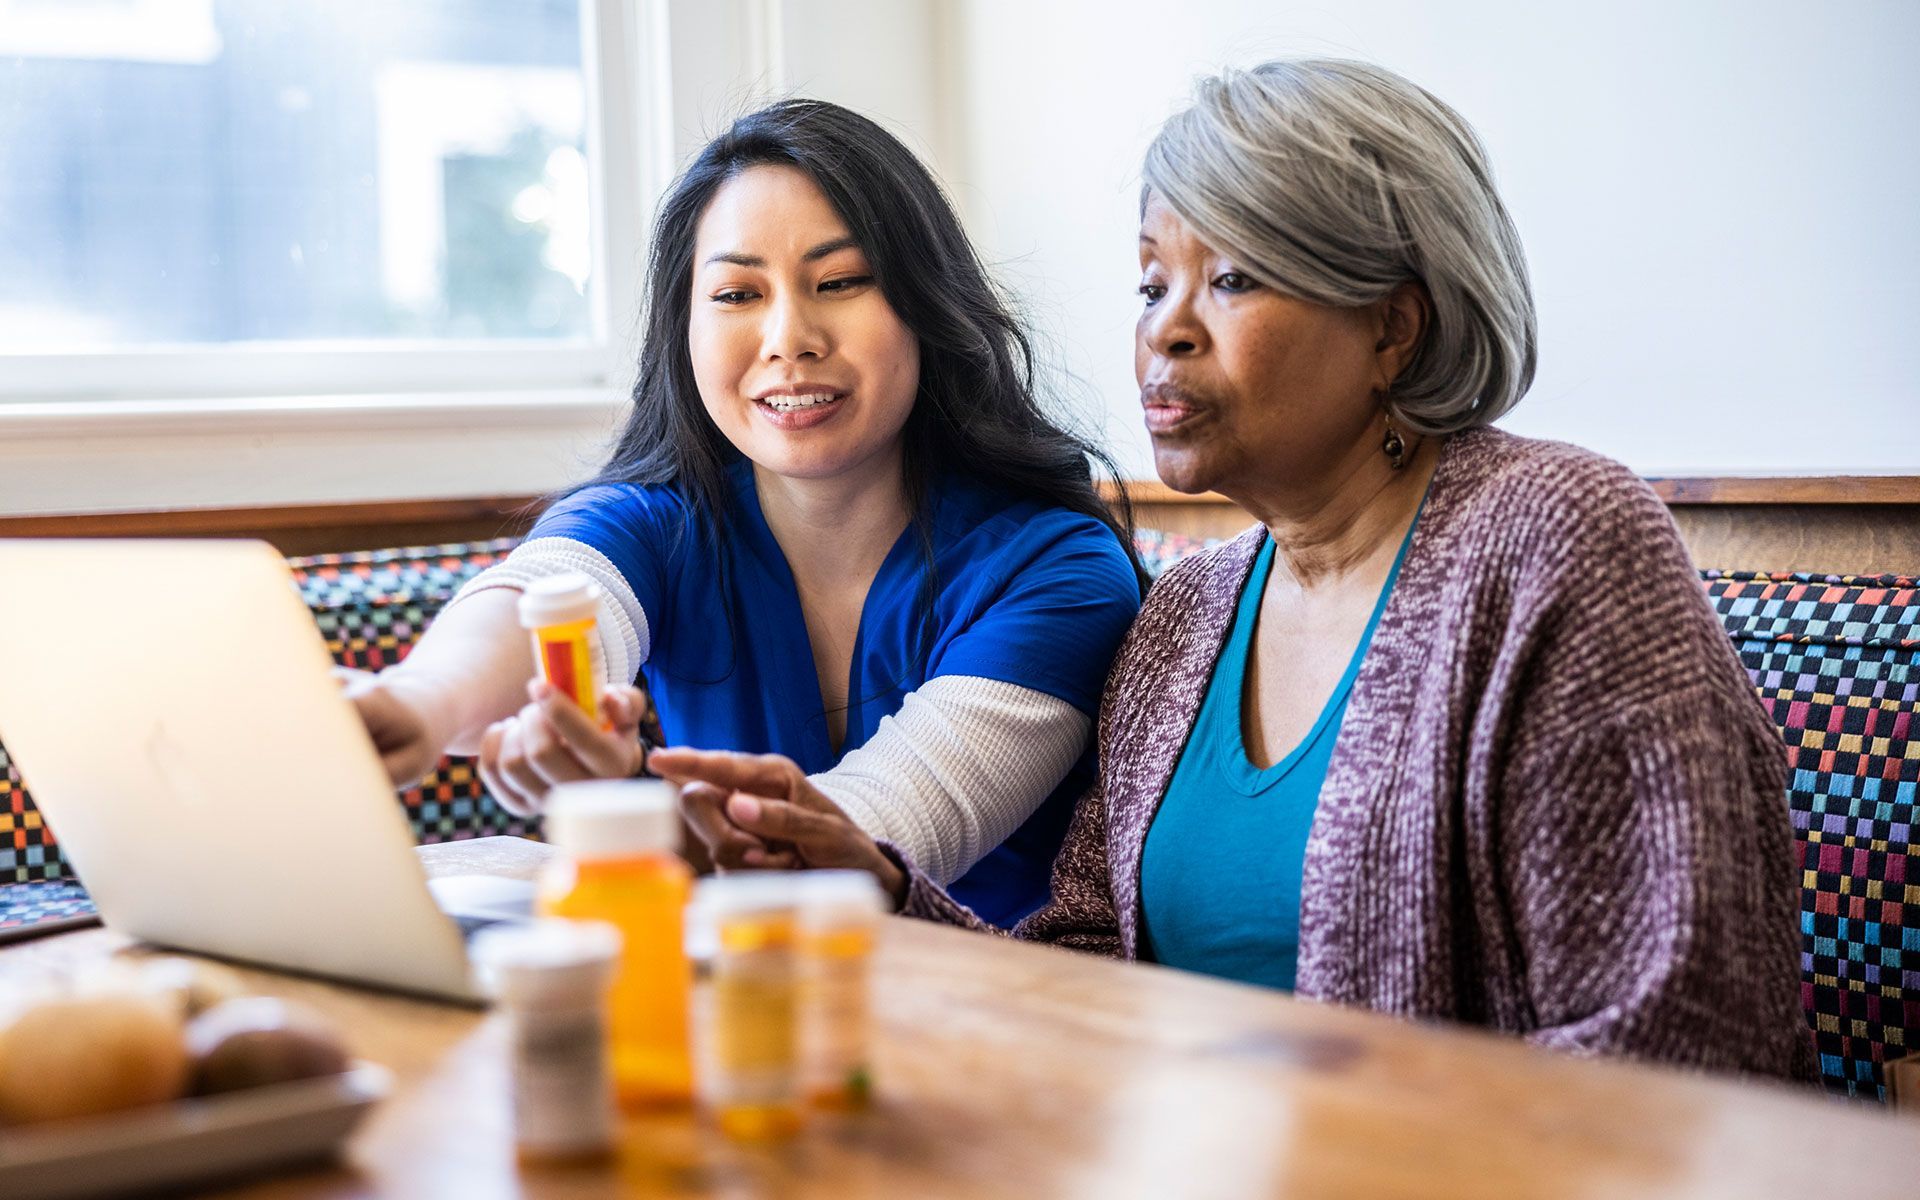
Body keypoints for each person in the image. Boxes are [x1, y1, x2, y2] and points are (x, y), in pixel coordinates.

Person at [649, 60, 1813, 1077]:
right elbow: (1089, 982)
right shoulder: (1186, 615)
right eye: (1152, 282)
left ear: (1394, 327)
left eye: (1236, 278)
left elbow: (1684, 1038)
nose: (1168, 329)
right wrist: (873, 883)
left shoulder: (1556, 541)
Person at [344, 100, 1144, 929]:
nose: (788, 338)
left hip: (993, 1013)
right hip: (740, 1004)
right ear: (683, 332)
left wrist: (620, 805)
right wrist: (415, 707)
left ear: (926, 307)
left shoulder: (1059, 571)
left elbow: (861, 845)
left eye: (840, 282)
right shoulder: (656, 525)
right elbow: (546, 600)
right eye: (735, 293)